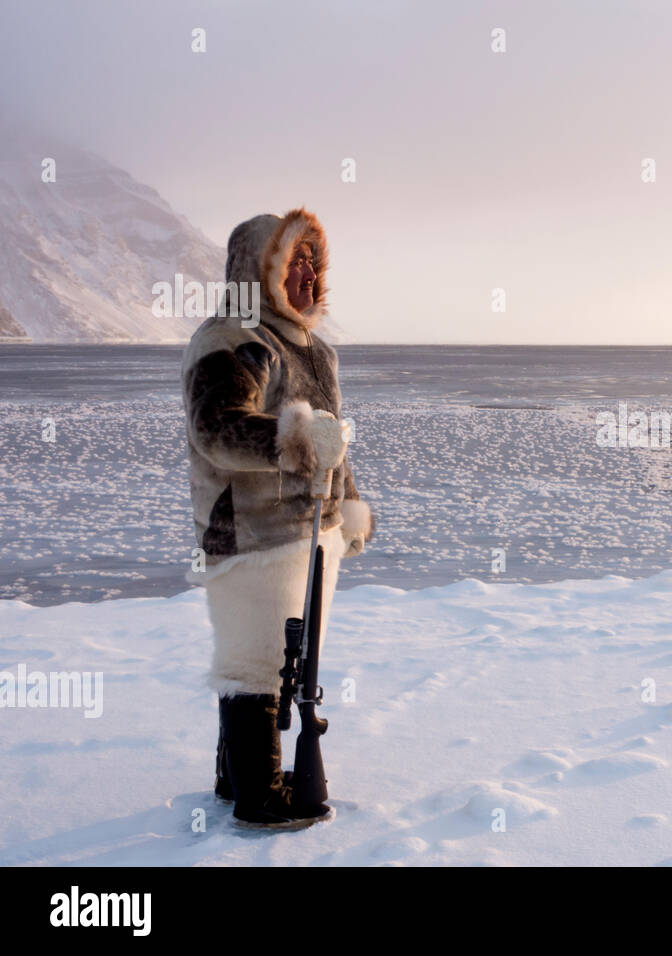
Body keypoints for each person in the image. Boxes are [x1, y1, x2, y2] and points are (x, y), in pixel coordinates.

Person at [181, 207, 374, 829]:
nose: (309, 274)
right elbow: (218, 428)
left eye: (314, 261)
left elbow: (329, 439)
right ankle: (260, 799)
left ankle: (235, 774)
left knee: (286, 660)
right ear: (257, 271)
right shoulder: (232, 338)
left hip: (311, 533)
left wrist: (346, 499)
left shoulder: (317, 351)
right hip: (250, 530)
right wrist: (294, 440)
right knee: (255, 661)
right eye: (294, 260)